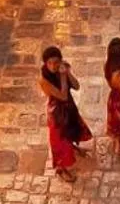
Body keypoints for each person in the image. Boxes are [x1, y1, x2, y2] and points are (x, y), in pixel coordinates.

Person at [39, 45, 92, 181]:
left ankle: (73, 146)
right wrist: (63, 76)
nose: (53, 66)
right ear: (45, 63)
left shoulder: (62, 69)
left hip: (69, 107)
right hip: (57, 113)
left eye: (56, 62)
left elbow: (76, 86)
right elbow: (62, 96)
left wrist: (67, 72)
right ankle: (60, 168)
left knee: (72, 128)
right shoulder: (44, 80)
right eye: (49, 63)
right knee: (59, 140)